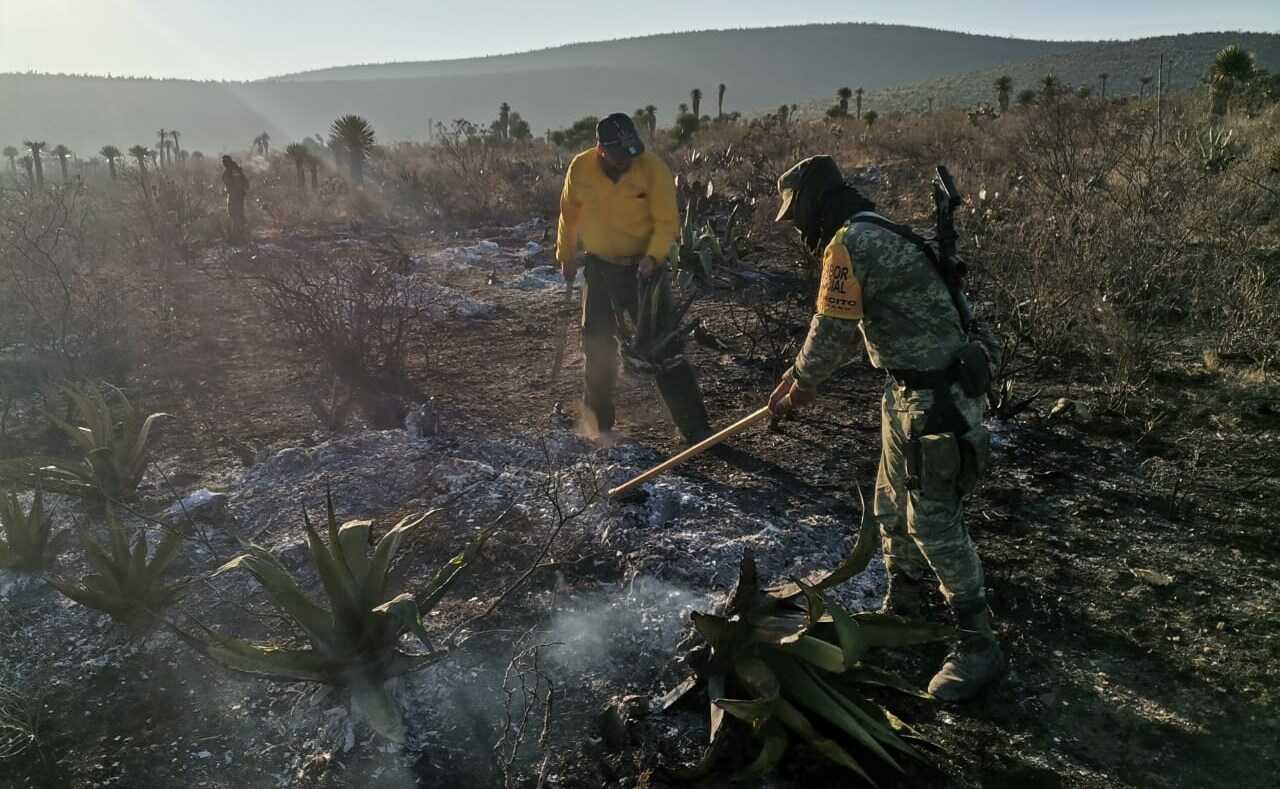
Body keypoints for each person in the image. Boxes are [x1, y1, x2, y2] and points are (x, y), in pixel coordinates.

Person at [767, 155, 1004, 702]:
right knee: (890, 504)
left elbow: (831, 329)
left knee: (933, 522)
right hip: (907, 391)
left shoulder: (849, 244)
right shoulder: (874, 231)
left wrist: (801, 385)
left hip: (934, 401)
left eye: (795, 215)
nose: (797, 228)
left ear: (810, 204)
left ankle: (977, 643)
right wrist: (795, 376)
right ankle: (905, 607)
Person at [555, 113, 712, 444]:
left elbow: (667, 221)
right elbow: (568, 216)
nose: (627, 159)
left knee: (664, 348)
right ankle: (598, 425)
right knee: (597, 345)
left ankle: (695, 429)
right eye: (619, 153)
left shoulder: (652, 169)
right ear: (601, 149)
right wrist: (565, 255)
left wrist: (653, 257)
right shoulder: (580, 169)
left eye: (631, 150)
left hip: (643, 270)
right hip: (599, 269)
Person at [222, 155, 249, 241]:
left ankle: (236, 236)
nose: (223, 163)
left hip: (234, 196)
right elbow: (246, 183)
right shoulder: (237, 170)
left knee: (234, 215)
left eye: (224, 161)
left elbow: (227, 181)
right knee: (239, 214)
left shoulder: (230, 171)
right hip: (240, 195)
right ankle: (242, 234)